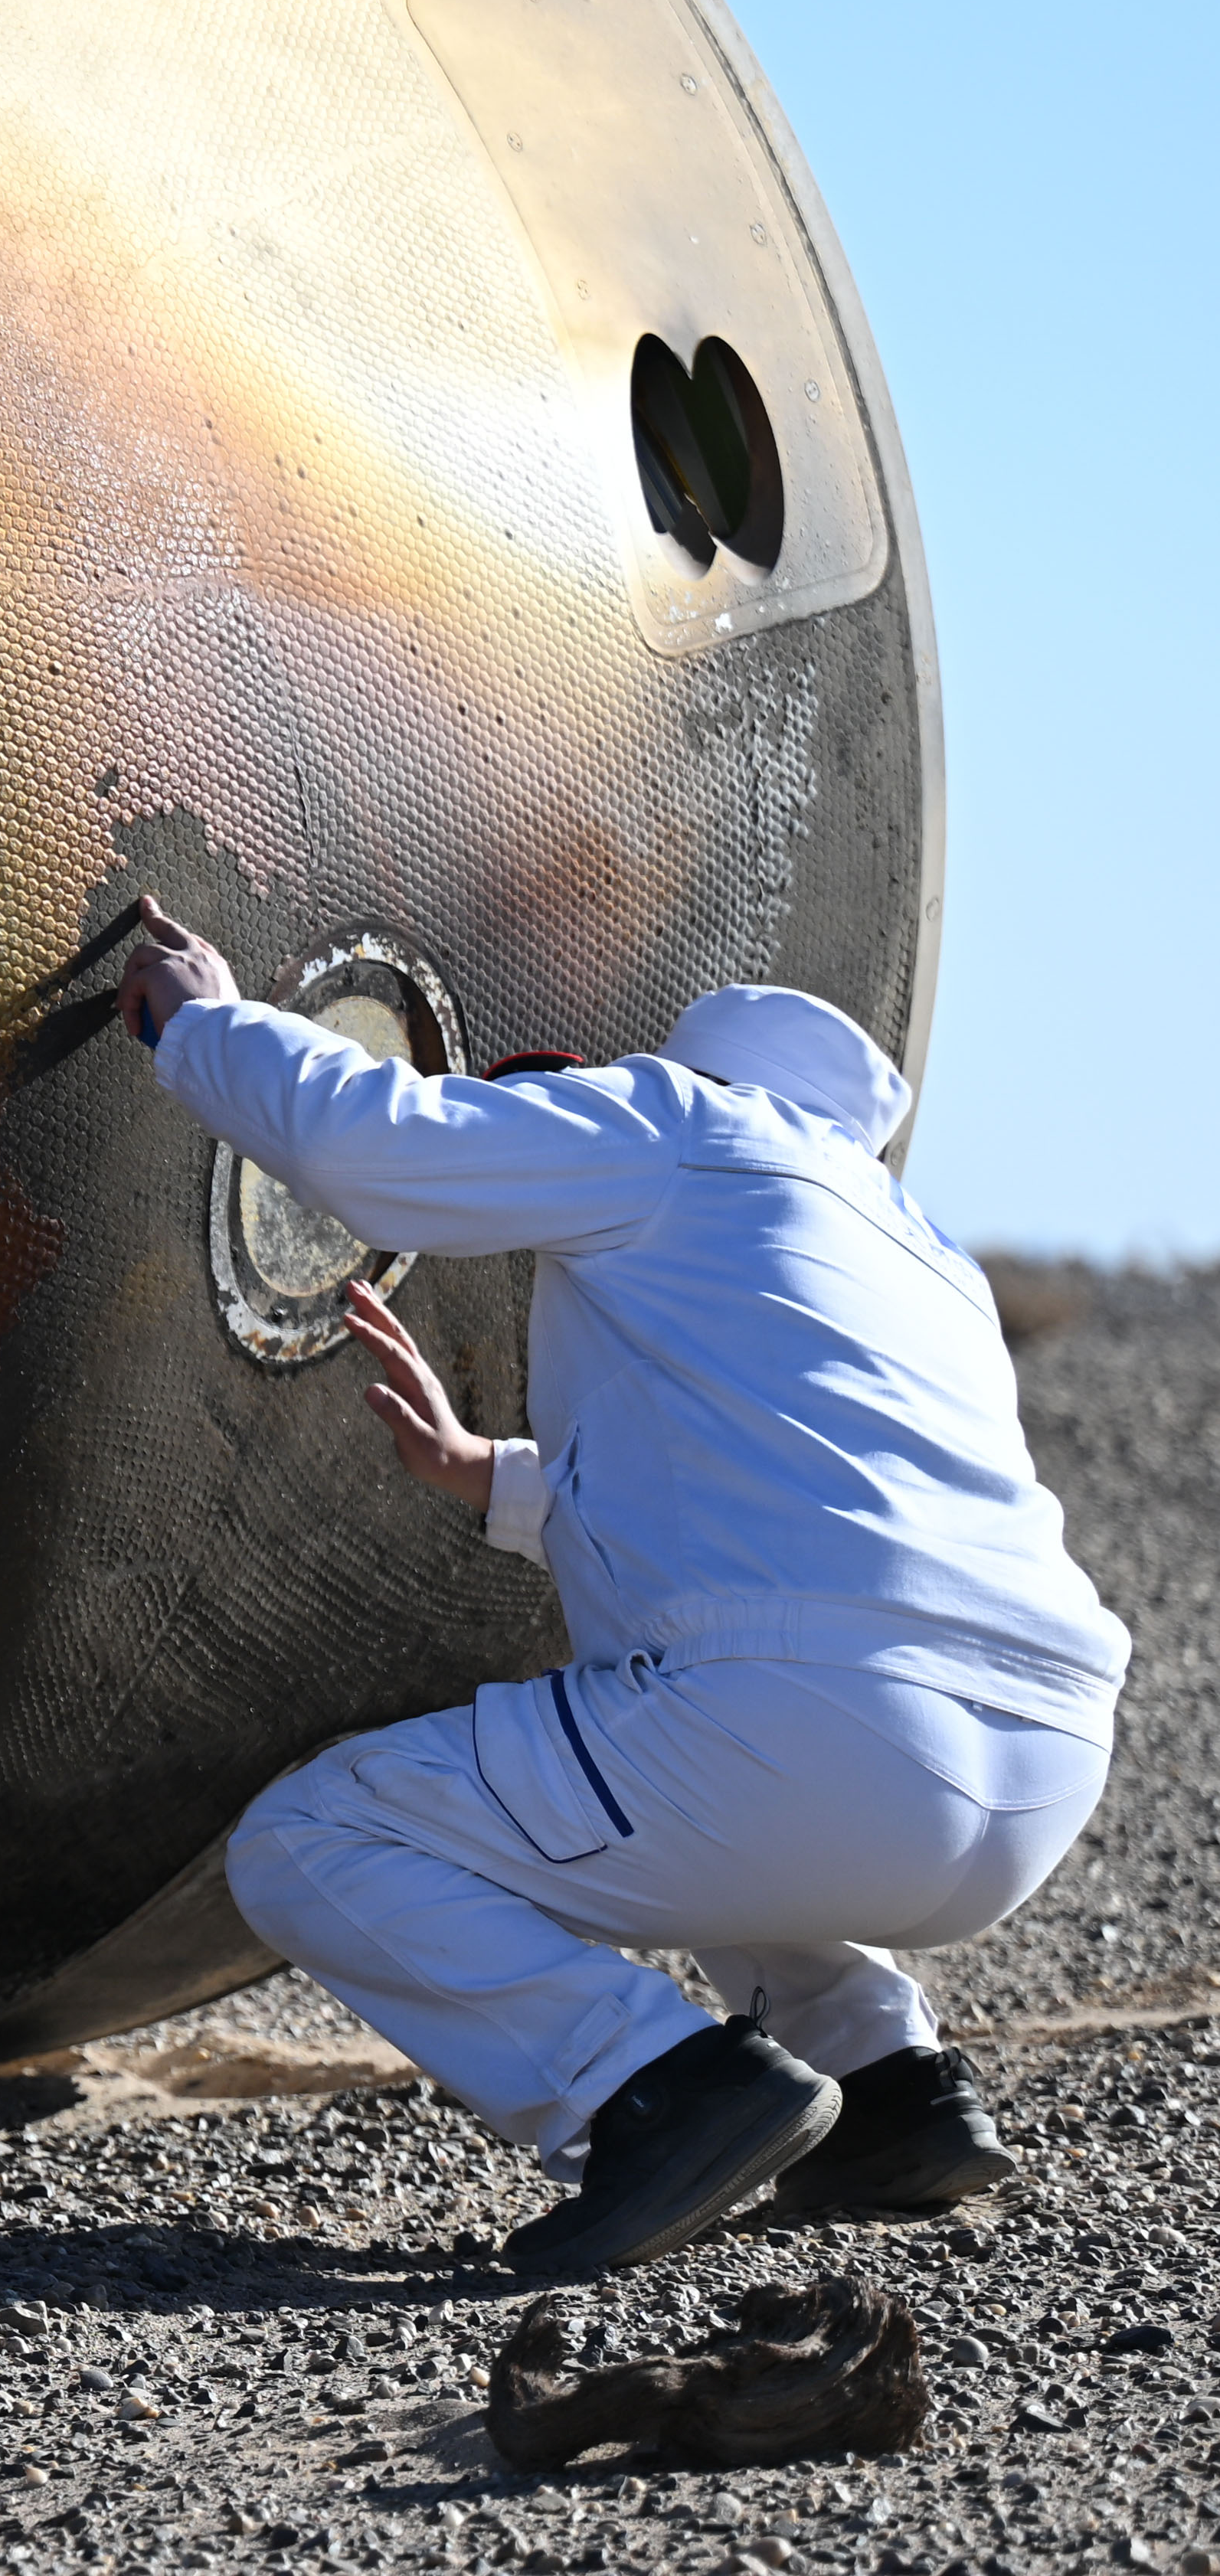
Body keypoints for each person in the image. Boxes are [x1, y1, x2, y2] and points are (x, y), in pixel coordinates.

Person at [121, 911, 1124, 2277]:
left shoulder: (679, 1125)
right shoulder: (918, 1250)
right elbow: (804, 1513)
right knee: (713, 1791)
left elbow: (380, 1154)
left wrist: (203, 1024)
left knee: (310, 1842)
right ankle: (889, 2090)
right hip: (1038, 1776)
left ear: (692, 1068)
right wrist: (500, 1481)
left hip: (829, 1731)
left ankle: (654, 2095)